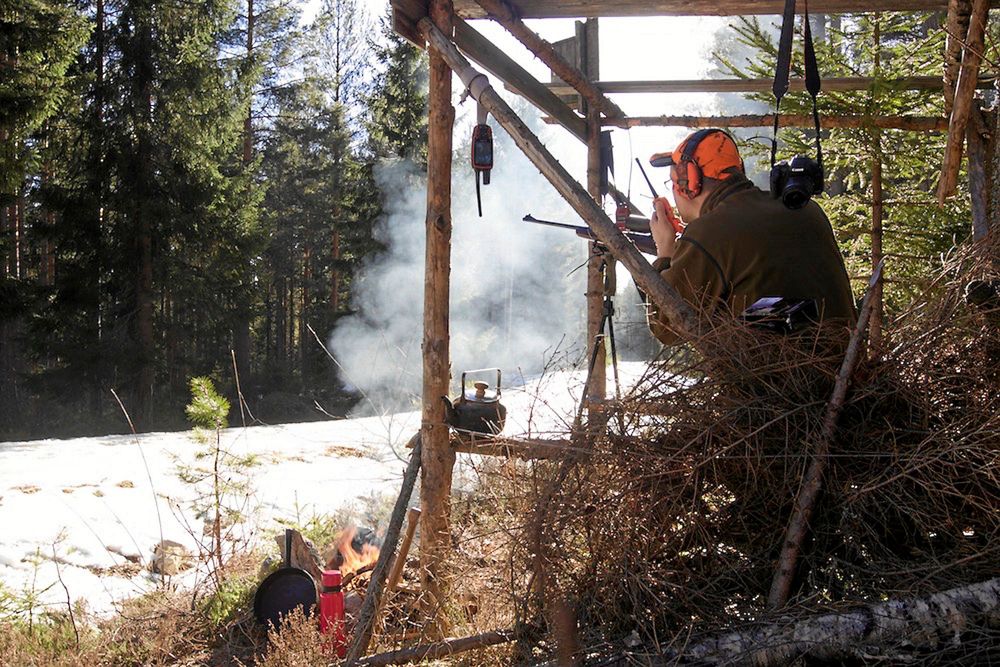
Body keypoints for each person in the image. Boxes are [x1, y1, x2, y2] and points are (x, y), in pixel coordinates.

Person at [645, 128, 856, 346]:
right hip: (848, 368)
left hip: (778, 377)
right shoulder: (804, 208)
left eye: (672, 183)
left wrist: (666, 252)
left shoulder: (709, 232)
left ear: (689, 182)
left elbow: (667, 327)